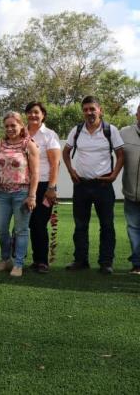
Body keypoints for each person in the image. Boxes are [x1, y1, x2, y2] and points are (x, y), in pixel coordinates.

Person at [62, 96, 124, 274]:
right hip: (81, 185)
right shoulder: (77, 130)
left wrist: (114, 175)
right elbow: (66, 152)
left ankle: (106, 263)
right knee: (80, 225)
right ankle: (81, 260)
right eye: (86, 109)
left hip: (103, 186)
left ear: (100, 110)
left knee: (107, 225)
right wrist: (71, 171)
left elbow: (121, 155)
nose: (89, 112)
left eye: (92, 109)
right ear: (83, 111)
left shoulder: (110, 130)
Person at [0, 112, 39, 277]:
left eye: (13, 125)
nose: (10, 129)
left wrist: (32, 195)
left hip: (22, 192)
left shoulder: (28, 144)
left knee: (21, 230)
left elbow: (35, 172)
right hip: (2, 193)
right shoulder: (0, 144)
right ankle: (6, 259)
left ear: (21, 125)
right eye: (7, 126)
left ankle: (18, 263)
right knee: (0, 228)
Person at [25, 102, 61, 273]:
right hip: (25, 184)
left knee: (40, 223)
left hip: (45, 185)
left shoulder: (49, 135)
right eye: (30, 112)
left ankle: (42, 261)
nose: (33, 115)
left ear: (43, 115)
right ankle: (32, 259)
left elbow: (55, 164)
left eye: (36, 112)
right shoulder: (21, 133)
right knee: (29, 223)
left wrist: (52, 188)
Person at [120, 103, 140, 274]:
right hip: (130, 192)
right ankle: (137, 263)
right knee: (133, 229)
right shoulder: (124, 133)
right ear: (137, 114)